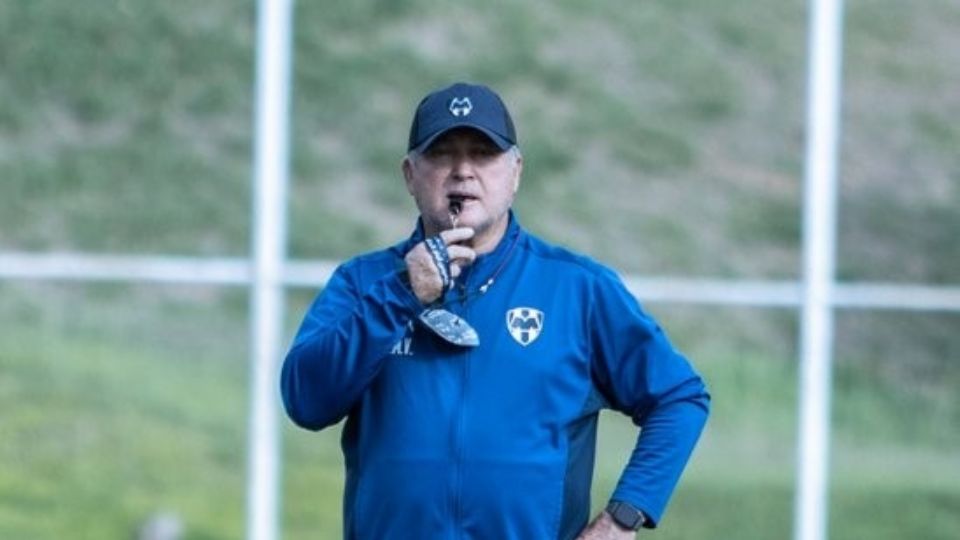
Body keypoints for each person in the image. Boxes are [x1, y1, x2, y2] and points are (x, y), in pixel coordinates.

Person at [281, 81, 710, 540]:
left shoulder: (577, 288)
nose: (463, 171)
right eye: (443, 153)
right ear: (410, 174)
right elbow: (306, 401)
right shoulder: (364, 283)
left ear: (516, 172)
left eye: (483, 154)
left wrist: (623, 517)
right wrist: (403, 293)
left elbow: (678, 398)